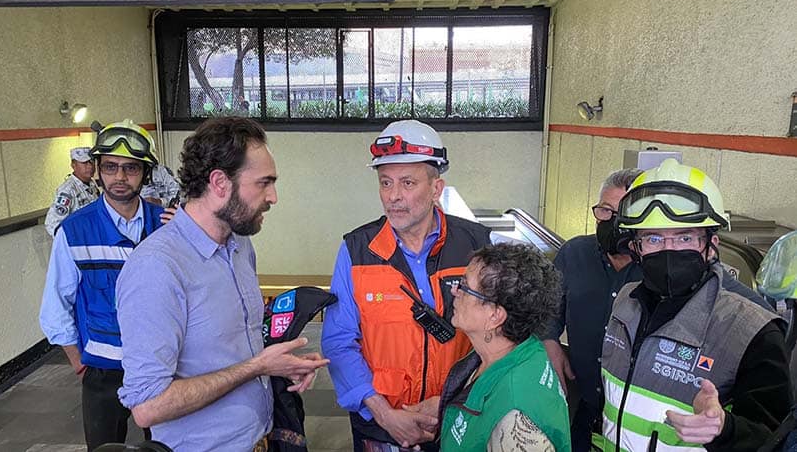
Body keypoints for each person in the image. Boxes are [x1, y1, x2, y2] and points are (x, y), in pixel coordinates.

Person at [115, 117, 328, 452]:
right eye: (263, 183)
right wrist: (258, 366)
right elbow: (148, 406)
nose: (273, 196)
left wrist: (281, 365)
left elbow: (237, 347)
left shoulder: (240, 245)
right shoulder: (156, 267)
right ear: (219, 183)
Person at [321, 119, 492, 451]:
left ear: (436, 188)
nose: (393, 196)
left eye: (408, 183)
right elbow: (339, 342)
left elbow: (499, 338)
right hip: (381, 427)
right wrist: (385, 415)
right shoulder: (356, 250)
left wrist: (447, 403)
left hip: (459, 418)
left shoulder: (477, 246)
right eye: (385, 183)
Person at [601, 158, 791, 451]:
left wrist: (724, 429)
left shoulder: (753, 332)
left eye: (684, 237)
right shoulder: (625, 303)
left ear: (711, 245)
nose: (668, 251)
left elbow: (775, 439)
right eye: (653, 238)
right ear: (636, 247)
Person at [38, 120, 165, 451]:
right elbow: (56, 303)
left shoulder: (167, 225)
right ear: (96, 169)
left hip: (162, 364)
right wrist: (77, 359)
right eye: (110, 166)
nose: (119, 177)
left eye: (131, 168)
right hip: (103, 369)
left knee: (169, 446)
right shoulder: (74, 231)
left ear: (146, 173)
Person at [543, 168, 643, 451]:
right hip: (584, 411)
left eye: (623, 215)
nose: (612, 222)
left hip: (636, 420)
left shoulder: (658, 269)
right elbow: (548, 309)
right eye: (605, 210)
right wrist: (549, 341)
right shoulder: (574, 253)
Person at [437, 243, 571, 451]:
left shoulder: (515, 418)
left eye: (464, 286)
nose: (455, 291)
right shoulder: (516, 351)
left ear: (495, 316)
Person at [44, 146, 100, 236]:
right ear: (73, 165)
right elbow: (52, 224)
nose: (90, 166)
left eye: (91, 161)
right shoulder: (68, 191)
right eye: (84, 163)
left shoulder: (91, 184)